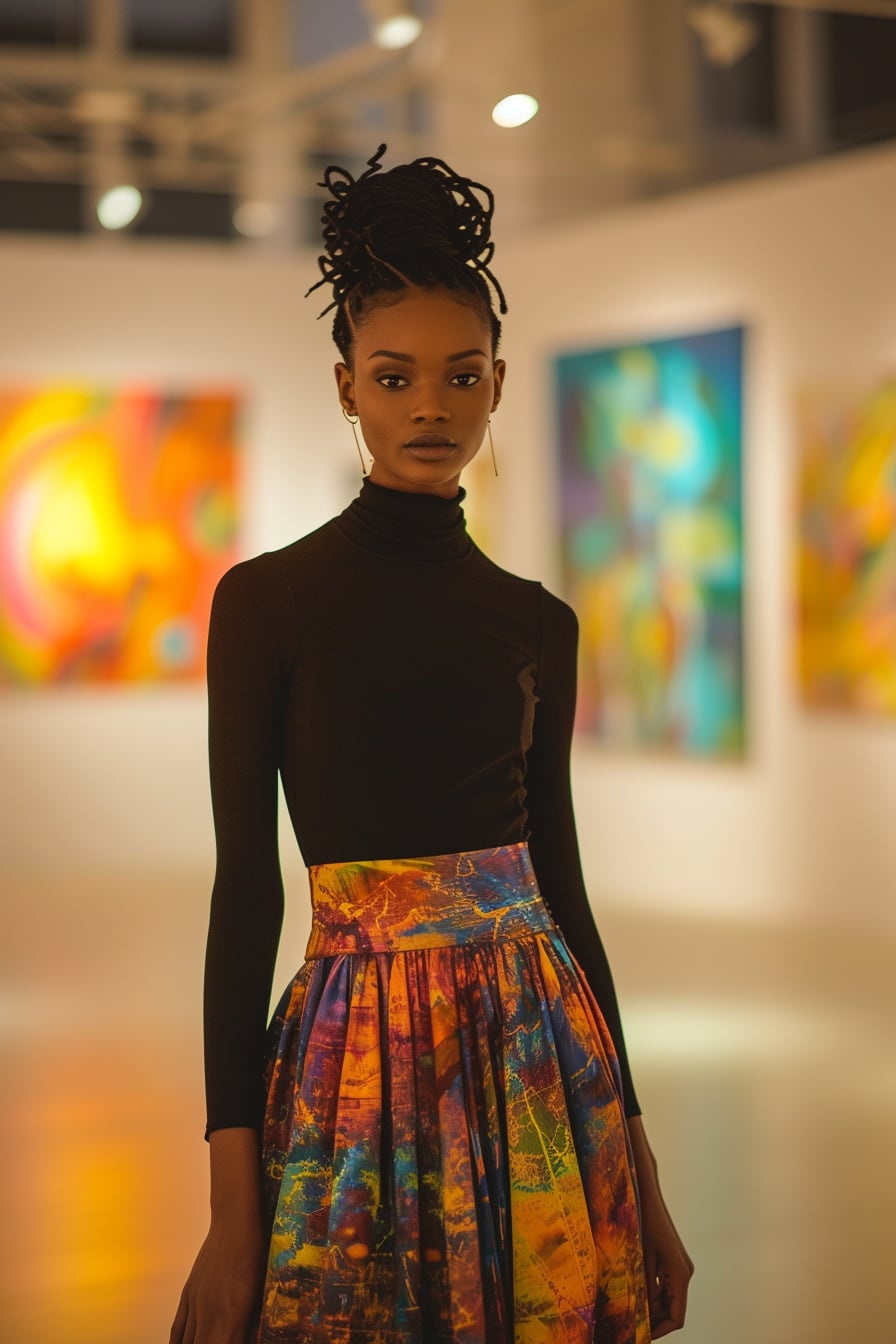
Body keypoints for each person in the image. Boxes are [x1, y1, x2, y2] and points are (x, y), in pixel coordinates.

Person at [170, 144, 693, 1344]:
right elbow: (243, 892)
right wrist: (229, 1203)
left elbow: (560, 886)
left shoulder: (534, 624)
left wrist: (642, 1170)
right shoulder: (268, 602)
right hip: (352, 1057)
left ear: (498, 384)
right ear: (345, 384)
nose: (429, 406)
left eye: (459, 377)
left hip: (535, 1060)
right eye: (395, 377)